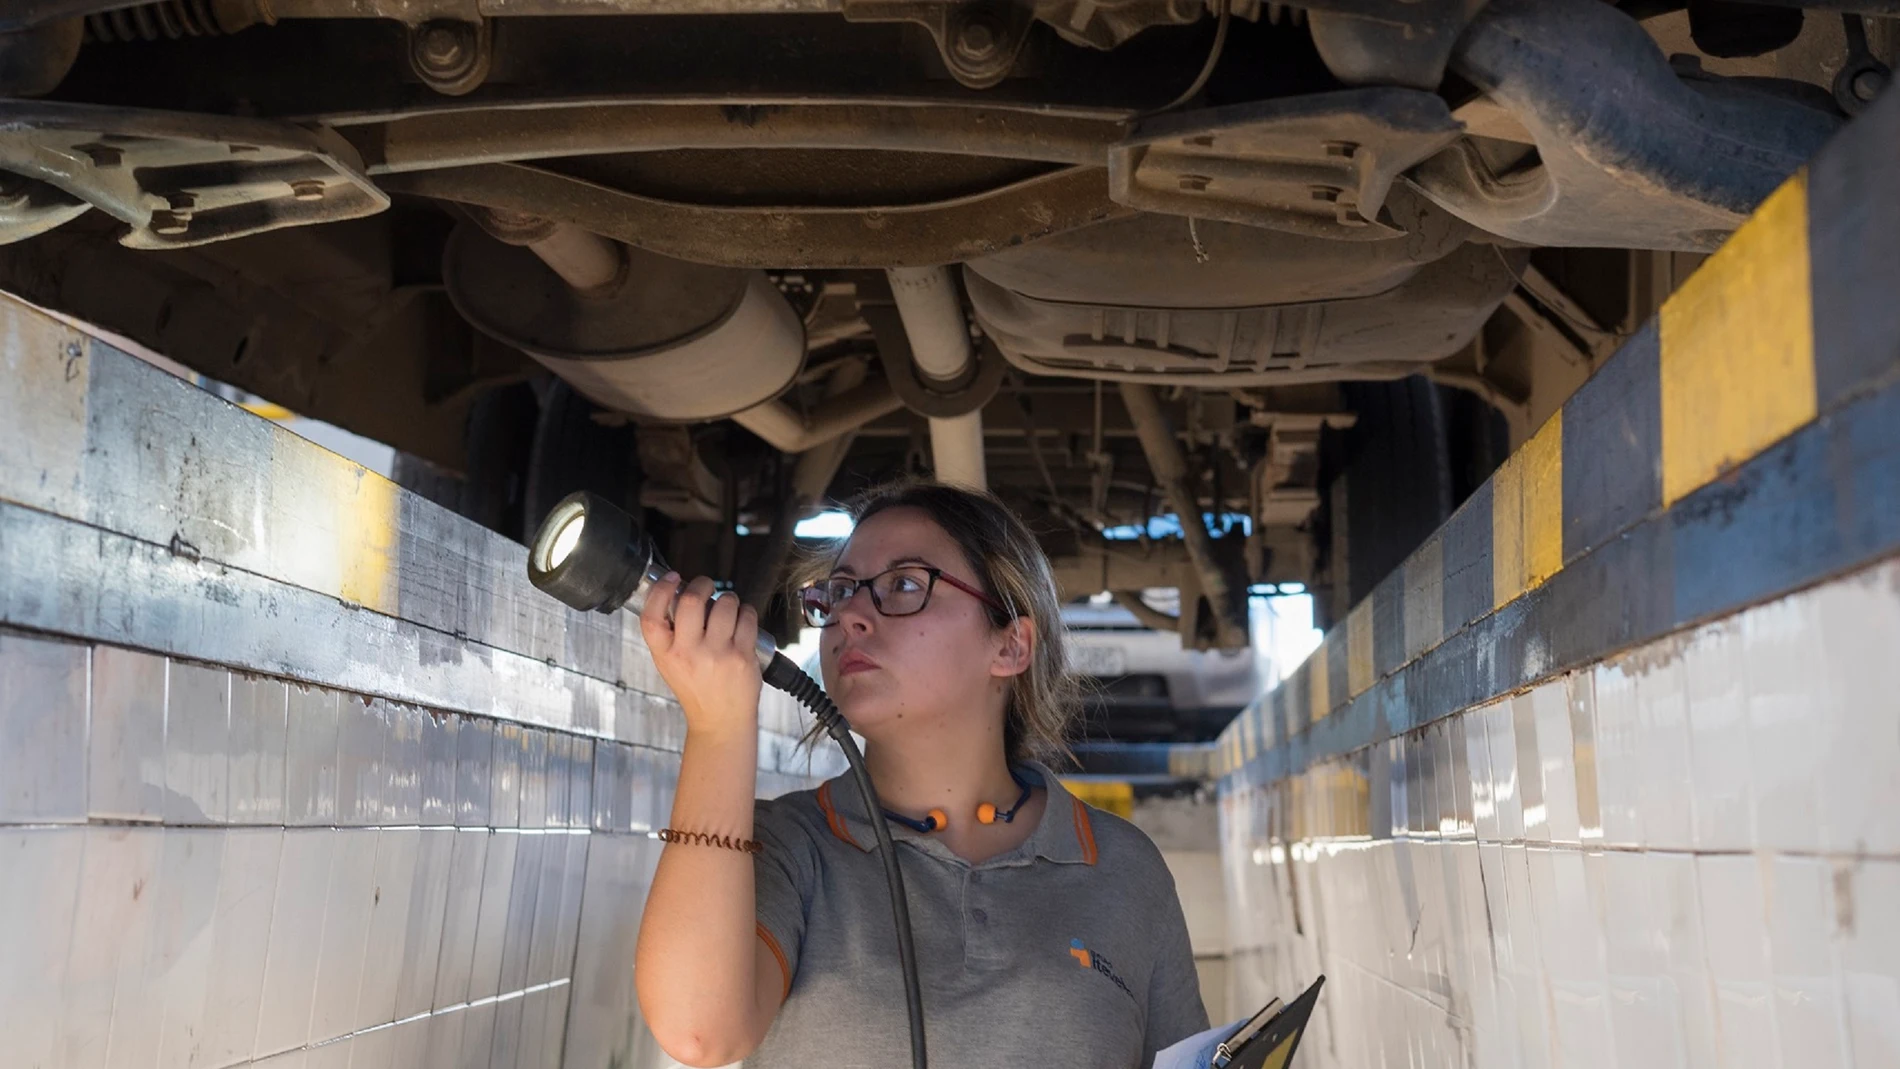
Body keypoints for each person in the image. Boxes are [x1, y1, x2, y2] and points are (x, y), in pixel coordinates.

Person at [633, 478, 1210, 1068]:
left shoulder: (1121, 867)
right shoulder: (788, 845)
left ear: (1010, 646)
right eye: (839, 590)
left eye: (904, 584)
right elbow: (699, 1032)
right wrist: (718, 728)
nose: (851, 613)